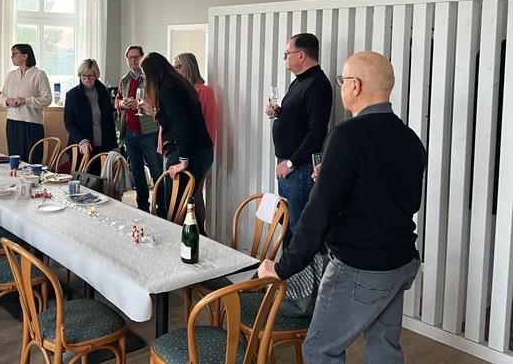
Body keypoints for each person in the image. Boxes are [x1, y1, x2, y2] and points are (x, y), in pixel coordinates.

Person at [258, 51, 426, 363]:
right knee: (384, 347)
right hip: (401, 261)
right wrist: (337, 175)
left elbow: (318, 212)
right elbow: (403, 200)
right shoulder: (410, 138)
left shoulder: (347, 135)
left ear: (356, 86)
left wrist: (282, 268)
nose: (342, 87)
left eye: (343, 80)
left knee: (320, 349)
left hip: (361, 265)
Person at [266, 33, 332, 246]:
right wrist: (279, 112)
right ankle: (285, 267)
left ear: (301, 55)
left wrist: (291, 163)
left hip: (300, 168)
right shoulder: (299, 82)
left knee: (298, 227)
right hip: (289, 165)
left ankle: (298, 269)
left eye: (287, 54)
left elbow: (316, 132)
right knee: (286, 222)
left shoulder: (317, 84)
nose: (285, 58)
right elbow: (299, 117)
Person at [139, 52, 213, 233]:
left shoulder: (167, 87)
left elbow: (181, 125)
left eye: (145, 74)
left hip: (186, 151)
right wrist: (155, 113)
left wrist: (183, 160)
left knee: (176, 210)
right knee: (187, 206)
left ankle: (184, 244)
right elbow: (174, 119)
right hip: (200, 150)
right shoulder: (180, 83)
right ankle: (196, 242)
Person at [114, 45, 162, 212]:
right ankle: (142, 207)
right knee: (137, 172)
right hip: (130, 133)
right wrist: (122, 103)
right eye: (130, 57)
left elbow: (159, 102)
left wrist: (141, 104)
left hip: (149, 132)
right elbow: (117, 100)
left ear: (142, 57)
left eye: (136, 57)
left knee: (156, 170)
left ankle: (162, 207)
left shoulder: (151, 78)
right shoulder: (124, 80)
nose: (133, 60)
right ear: (127, 60)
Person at [0, 43, 52, 163]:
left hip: (32, 124)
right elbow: (2, 97)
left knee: (32, 160)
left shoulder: (39, 75)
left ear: (25, 56)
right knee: (15, 161)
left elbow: (47, 99)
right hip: (12, 123)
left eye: (14, 54)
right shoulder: (11, 75)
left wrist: (26, 101)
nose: (11, 57)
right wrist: (7, 101)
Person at [63, 59, 117, 168]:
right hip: (81, 146)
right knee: (81, 177)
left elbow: (110, 122)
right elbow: (69, 122)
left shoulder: (104, 93)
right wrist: (82, 141)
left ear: (96, 75)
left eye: (91, 76)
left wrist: (114, 147)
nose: (87, 79)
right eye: (84, 76)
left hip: (103, 146)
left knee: (101, 178)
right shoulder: (72, 95)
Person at [172, 53, 217, 145]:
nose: (174, 71)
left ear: (189, 67)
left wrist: (208, 147)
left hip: (196, 145)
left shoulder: (205, 91)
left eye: (178, 67)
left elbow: (210, 122)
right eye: (173, 68)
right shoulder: (172, 90)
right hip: (173, 145)